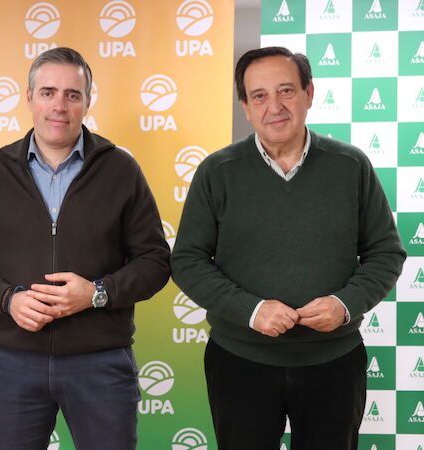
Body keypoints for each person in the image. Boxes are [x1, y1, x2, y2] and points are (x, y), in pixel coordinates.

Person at [170, 46, 406, 450]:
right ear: (245, 107)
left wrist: (345, 304)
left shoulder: (350, 166)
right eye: (259, 96)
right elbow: (188, 261)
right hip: (239, 362)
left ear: (308, 94)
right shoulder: (218, 171)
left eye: (286, 91)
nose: (274, 106)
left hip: (334, 362)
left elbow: (386, 253)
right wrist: (251, 310)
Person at [0, 47, 170, 450]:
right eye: (48, 93)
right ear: (29, 98)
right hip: (13, 363)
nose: (59, 106)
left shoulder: (121, 169)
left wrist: (97, 293)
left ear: (87, 102)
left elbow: (154, 261)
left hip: (101, 362)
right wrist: (8, 299)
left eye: (72, 95)